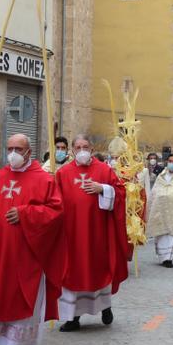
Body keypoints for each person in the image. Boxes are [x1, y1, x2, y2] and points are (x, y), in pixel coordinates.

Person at [0, 133, 65, 345]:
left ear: (29, 152)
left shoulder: (44, 180)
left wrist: (25, 213)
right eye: (10, 147)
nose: (12, 153)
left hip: (25, 254)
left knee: (18, 297)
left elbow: (56, 212)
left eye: (18, 149)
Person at [55, 134, 129, 331]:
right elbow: (55, 202)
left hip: (98, 233)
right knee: (72, 272)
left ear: (92, 149)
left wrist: (104, 189)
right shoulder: (62, 173)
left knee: (99, 269)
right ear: (71, 150)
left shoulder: (104, 170)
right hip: (72, 235)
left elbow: (120, 193)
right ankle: (73, 318)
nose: (81, 151)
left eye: (85, 146)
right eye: (77, 147)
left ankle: (105, 307)